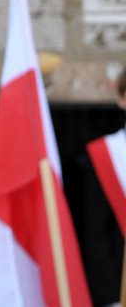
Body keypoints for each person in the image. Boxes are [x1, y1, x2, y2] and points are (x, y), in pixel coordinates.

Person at [77, 66, 126, 307]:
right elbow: (94, 234)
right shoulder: (101, 155)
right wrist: (110, 298)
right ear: (121, 98)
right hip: (118, 291)